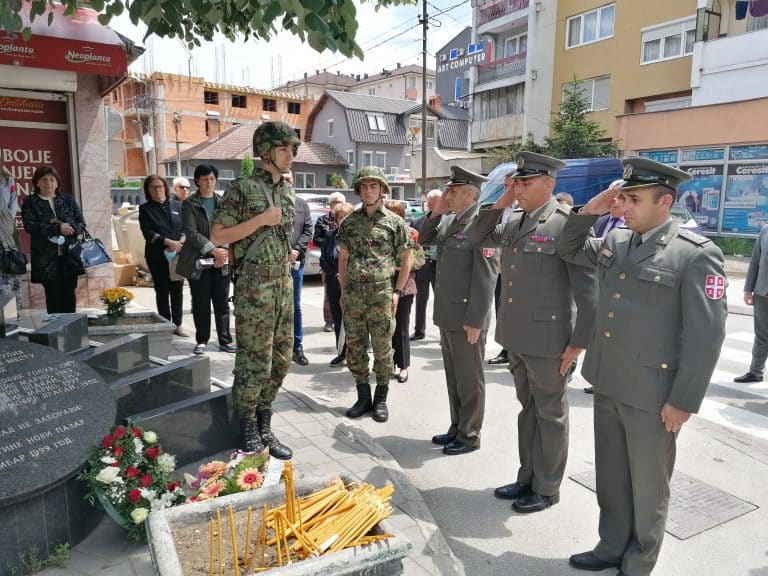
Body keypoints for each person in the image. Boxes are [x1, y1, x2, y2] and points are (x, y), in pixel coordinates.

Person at [558, 157, 727, 576]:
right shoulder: (616, 242)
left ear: (664, 202)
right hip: (609, 381)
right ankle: (611, 545)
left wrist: (683, 400)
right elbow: (566, 247)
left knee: (649, 484)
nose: (624, 206)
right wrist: (593, 207)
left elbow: (706, 337)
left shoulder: (695, 255)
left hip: (654, 394)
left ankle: (638, 562)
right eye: (622, 197)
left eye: (633, 198)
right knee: (612, 475)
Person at [471, 151, 597, 513]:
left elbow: (589, 293)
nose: (519, 188)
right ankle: (526, 476)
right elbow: (480, 237)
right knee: (528, 410)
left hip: (550, 341)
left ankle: (546, 487)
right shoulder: (516, 222)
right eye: (517, 182)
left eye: (525, 183)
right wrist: (503, 199)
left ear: (549, 184)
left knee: (551, 415)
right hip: (518, 337)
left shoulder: (563, 224)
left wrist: (578, 343)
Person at [210, 121, 299, 459]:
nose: (289, 155)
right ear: (265, 151)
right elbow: (218, 235)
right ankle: (246, 422)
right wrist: (261, 220)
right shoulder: (243, 188)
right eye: (282, 148)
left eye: (292, 149)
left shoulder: (288, 190)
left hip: (283, 282)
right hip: (255, 286)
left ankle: (265, 420)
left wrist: (286, 250)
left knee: (281, 357)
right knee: (254, 360)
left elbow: (282, 232)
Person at [419, 166, 497, 456]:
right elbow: (423, 237)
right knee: (454, 376)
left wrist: (476, 320)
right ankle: (457, 426)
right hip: (448, 314)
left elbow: (486, 277)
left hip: (468, 318)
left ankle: (470, 434)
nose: (448, 194)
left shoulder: (481, 225)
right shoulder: (451, 221)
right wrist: (437, 209)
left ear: (471, 194)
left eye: (453, 191)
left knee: (470, 378)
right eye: (448, 190)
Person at [337, 166, 413, 423]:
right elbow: (344, 259)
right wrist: (344, 291)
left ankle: (381, 399)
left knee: (382, 349)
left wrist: (397, 292)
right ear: (359, 190)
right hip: (355, 295)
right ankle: (363, 397)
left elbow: (407, 257)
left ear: (382, 190)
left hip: (382, 294)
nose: (368, 191)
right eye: (364, 187)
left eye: (373, 186)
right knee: (356, 348)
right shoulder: (349, 223)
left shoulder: (394, 222)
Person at [180, 164, 235, 355]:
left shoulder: (223, 203)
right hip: (198, 260)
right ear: (197, 181)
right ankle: (202, 340)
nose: (209, 182)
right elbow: (192, 233)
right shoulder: (189, 204)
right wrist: (213, 250)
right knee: (201, 301)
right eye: (205, 179)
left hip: (222, 260)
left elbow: (231, 229)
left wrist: (224, 252)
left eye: (212, 178)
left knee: (222, 302)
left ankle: (225, 340)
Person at [21, 166, 87, 313]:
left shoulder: (68, 200)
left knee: (69, 294)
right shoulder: (30, 201)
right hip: (46, 258)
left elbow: (81, 223)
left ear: (57, 183)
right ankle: (55, 333)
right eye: (44, 180)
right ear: (37, 183)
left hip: (69, 256)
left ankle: (71, 330)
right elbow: (30, 226)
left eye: (52, 180)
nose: (48, 183)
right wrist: (58, 229)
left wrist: (72, 229)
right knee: (53, 295)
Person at [138, 175, 188, 336]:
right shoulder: (145, 209)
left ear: (165, 188)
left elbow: (185, 228)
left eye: (160, 186)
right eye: (153, 187)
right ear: (148, 190)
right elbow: (148, 232)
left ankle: (178, 324)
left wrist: (180, 242)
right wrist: (168, 242)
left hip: (177, 254)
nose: (157, 189)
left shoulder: (177, 205)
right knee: (162, 290)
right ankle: (166, 325)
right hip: (156, 256)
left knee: (177, 290)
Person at [385, 199, 418, 384]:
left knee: (401, 326)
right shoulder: (380, 233)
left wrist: (409, 264)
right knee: (384, 327)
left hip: (404, 285)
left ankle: (403, 366)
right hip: (381, 284)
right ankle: (386, 362)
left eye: (395, 213)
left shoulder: (411, 233)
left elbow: (420, 258)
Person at [488, 174, 519, 366]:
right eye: (504, 186)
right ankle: (506, 349)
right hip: (499, 268)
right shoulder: (500, 209)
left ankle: (516, 349)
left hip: (517, 270)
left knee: (517, 311)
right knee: (501, 309)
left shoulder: (524, 210)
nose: (506, 190)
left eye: (510, 186)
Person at [320, 202, 355, 367]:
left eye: (347, 216)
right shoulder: (330, 235)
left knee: (354, 320)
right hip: (334, 283)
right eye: (340, 217)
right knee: (338, 318)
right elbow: (323, 260)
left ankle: (354, 354)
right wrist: (336, 274)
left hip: (353, 285)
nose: (343, 220)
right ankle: (341, 352)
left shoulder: (357, 236)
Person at [734, 223, 768, 383]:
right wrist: (748, 289)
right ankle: (756, 371)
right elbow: (755, 261)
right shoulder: (765, 230)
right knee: (761, 335)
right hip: (763, 292)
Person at [410, 189, 441, 341]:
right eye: (430, 205)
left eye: (435, 205)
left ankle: (444, 333)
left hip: (440, 267)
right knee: (420, 299)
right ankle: (419, 331)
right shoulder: (417, 222)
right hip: (423, 266)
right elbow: (413, 246)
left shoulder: (448, 220)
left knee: (442, 301)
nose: (432, 208)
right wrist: (415, 265)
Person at [314, 191, 346, 332]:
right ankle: (329, 320)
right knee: (329, 294)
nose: (336, 205)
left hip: (347, 272)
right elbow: (316, 239)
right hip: (330, 265)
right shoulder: (323, 220)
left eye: (339, 202)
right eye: (334, 203)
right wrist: (329, 241)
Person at [290, 194, 313, 365]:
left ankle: (297, 346)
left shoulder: (302, 205)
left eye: (290, 179)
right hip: (273, 262)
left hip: (296, 262)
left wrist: (296, 250)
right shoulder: (270, 201)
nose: (288, 182)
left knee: (295, 305)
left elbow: (307, 230)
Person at [0, 165, 22, 308]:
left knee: (8, 271)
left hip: (5, 231)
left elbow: (13, 204)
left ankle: (10, 315)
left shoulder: (8, 179)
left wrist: (6, 221)